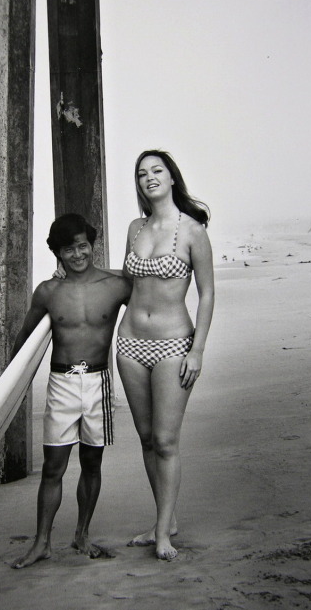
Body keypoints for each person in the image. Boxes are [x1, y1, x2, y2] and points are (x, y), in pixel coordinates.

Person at [10, 213, 131, 568]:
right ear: (58, 254)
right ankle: (42, 542)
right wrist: (10, 387)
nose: (78, 254)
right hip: (61, 383)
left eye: (83, 245)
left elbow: (151, 308)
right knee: (54, 467)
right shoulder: (48, 292)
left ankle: (82, 534)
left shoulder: (117, 285)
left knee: (92, 464)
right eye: (69, 249)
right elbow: (24, 340)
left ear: (91, 244)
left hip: (99, 382)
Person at [117, 149, 215, 561]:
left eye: (157, 170)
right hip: (130, 344)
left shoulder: (192, 231)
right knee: (144, 438)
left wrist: (197, 351)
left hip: (174, 345)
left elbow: (207, 293)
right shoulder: (134, 228)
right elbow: (125, 284)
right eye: (142, 173)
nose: (149, 177)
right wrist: (76, 278)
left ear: (172, 178)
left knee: (165, 440)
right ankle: (165, 519)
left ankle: (163, 535)